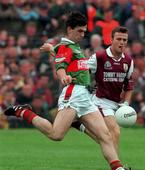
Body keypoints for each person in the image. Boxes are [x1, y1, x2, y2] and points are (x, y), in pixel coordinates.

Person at [4, 12, 133, 170]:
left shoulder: (71, 47)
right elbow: (60, 67)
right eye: (80, 31)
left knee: (105, 135)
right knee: (56, 134)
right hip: (73, 94)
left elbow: (61, 56)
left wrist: (52, 48)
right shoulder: (66, 47)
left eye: (85, 31)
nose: (83, 34)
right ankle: (23, 111)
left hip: (85, 97)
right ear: (70, 29)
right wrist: (63, 76)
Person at [41, 26, 134, 154]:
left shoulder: (128, 61)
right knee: (114, 132)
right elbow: (78, 66)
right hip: (100, 100)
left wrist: (126, 103)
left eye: (125, 40)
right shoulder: (100, 57)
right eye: (119, 39)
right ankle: (119, 168)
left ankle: (81, 126)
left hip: (116, 103)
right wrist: (53, 51)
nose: (122, 42)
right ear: (111, 39)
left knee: (102, 138)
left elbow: (129, 85)